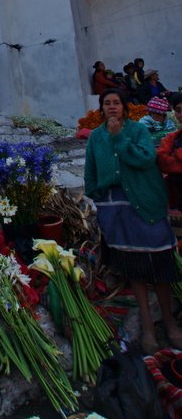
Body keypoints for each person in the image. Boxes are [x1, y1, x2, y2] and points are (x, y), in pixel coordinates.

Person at [85, 88, 182, 354]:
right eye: (107, 103)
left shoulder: (137, 130)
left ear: (125, 107)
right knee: (135, 268)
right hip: (115, 209)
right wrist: (96, 196)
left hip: (144, 204)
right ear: (101, 108)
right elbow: (90, 171)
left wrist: (119, 138)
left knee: (160, 263)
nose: (112, 107)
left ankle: (170, 323)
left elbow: (145, 159)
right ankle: (148, 327)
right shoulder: (95, 137)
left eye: (117, 103)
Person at [157, 94, 182, 231]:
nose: (181, 114)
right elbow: (162, 161)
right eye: (178, 110)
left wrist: (176, 154)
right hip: (176, 201)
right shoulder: (172, 138)